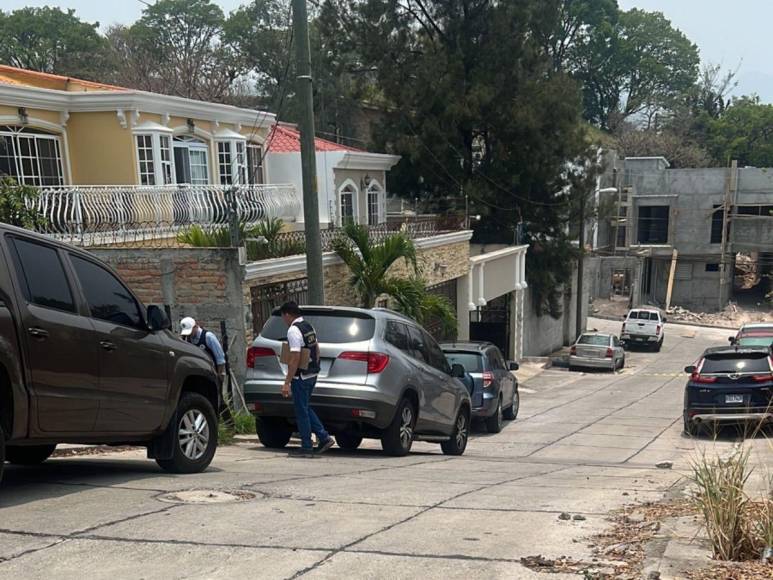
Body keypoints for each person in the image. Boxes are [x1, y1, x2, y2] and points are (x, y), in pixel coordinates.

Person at [279, 302, 334, 457]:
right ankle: (323, 437)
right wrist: (316, 366)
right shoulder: (309, 327)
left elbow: (295, 357)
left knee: (301, 410)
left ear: (288, 315)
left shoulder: (293, 331)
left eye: (283, 317)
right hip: (312, 374)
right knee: (305, 407)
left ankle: (307, 446)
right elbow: (316, 348)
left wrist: (287, 382)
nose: (284, 320)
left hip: (301, 376)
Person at [180, 317, 226, 384]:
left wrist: (219, 375)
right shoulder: (188, 339)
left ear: (195, 326)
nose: (188, 334)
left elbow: (220, 358)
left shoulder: (208, 337)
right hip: (199, 374)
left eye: (190, 331)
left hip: (212, 372)